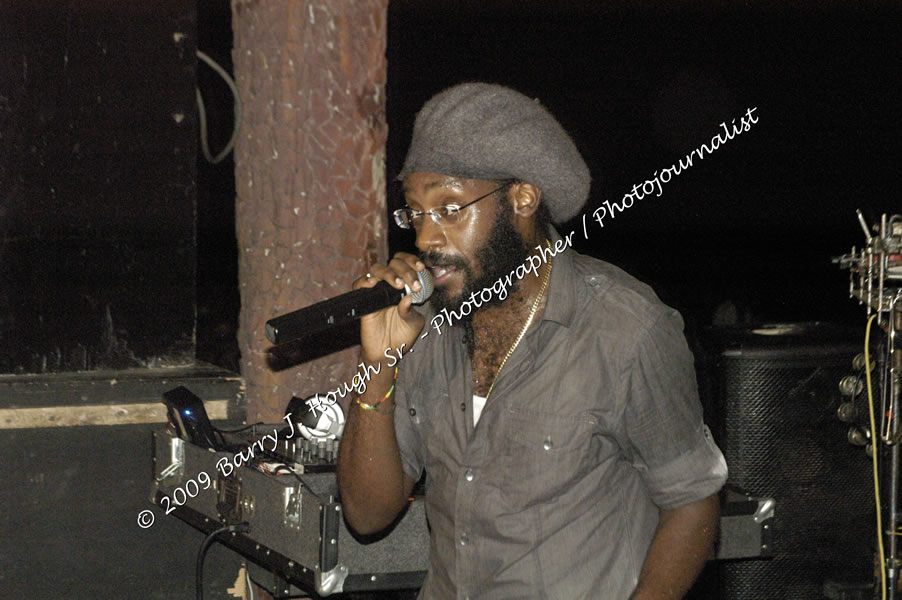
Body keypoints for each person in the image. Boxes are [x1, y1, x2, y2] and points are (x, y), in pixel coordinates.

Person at [336, 82, 727, 600]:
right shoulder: (425, 327)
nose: (426, 239)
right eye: (417, 213)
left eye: (450, 209)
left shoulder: (625, 330)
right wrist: (379, 363)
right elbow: (367, 514)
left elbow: (693, 503)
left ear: (522, 198)